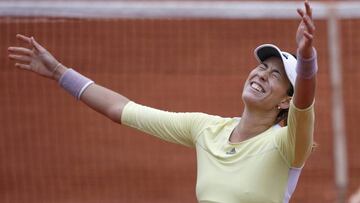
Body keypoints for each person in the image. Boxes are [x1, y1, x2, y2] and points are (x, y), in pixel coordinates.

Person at [7, 0, 317, 202]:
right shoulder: (206, 129)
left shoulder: (288, 143)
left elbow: (304, 103)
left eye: (276, 75)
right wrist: (60, 72)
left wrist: (305, 57)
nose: (262, 75)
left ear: (284, 102)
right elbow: (122, 110)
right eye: (262, 67)